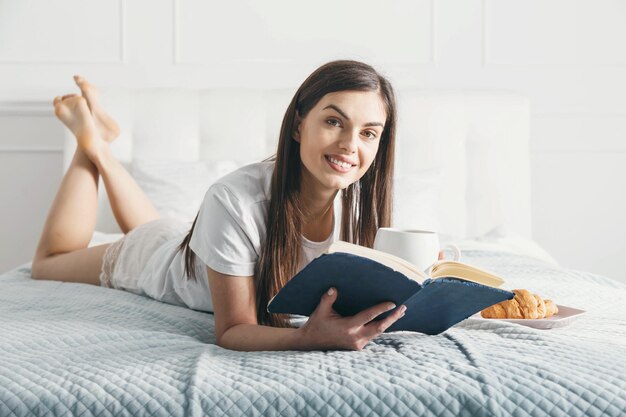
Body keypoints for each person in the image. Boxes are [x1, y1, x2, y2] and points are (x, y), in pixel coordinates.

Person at [31, 60, 407, 352]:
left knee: (156, 227)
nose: (349, 144)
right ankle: (91, 144)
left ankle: (100, 140)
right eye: (333, 121)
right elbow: (232, 331)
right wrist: (307, 337)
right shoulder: (233, 199)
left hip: (187, 243)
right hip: (151, 260)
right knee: (48, 262)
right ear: (297, 126)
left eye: (368, 132)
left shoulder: (361, 207)